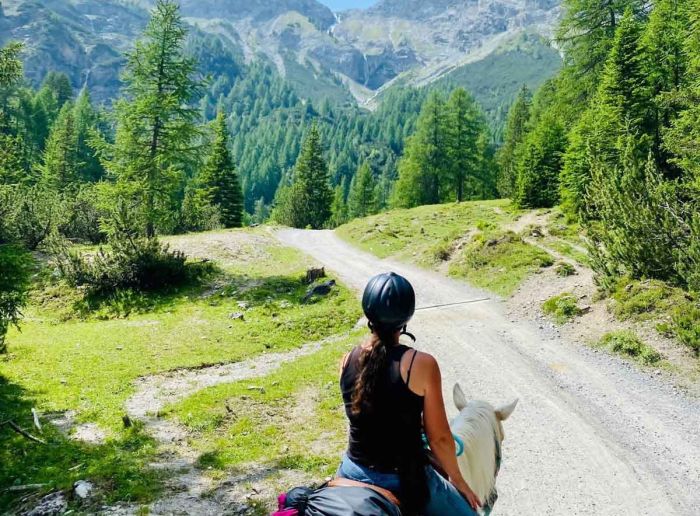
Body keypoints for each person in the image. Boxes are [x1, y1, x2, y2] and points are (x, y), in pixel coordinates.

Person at [336, 272, 481, 515]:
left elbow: (364, 415)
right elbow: (440, 439)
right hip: (402, 478)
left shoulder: (347, 359)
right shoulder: (421, 364)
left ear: (368, 314)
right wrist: (459, 481)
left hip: (352, 469)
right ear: (406, 318)